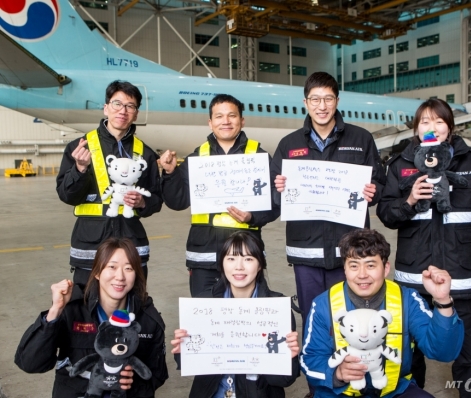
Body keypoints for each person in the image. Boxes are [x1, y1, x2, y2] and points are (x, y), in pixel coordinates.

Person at [376, 98, 471, 397]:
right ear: (416, 129)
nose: (432, 127)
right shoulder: (401, 165)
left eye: (439, 121)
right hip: (415, 279)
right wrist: (410, 200)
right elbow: (387, 215)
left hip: (464, 278)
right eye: (425, 122)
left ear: (450, 127)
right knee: (409, 358)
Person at [271, 71, 386, 333]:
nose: (321, 106)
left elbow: (380, 183)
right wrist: (279, 189)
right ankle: (319, 374)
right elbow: (274, 193)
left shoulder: (361, 139)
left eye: (328, 99)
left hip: (351, 253)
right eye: (315, 99)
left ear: (337, 101)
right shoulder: (288, 144)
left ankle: (353, 373)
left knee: (354, 323)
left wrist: (373, 191)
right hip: (306, 252)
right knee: (314, 321)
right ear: (305, 103)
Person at [300, 228, 464, 398]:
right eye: (354, 266)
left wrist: (443, 301)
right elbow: (309, 360)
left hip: (395, 391)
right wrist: (336, 373)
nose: (362, 275)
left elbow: (443, 352)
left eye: (370, 265)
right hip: (339, 393)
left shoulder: (407, 299)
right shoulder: (323, 304)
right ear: (345, 270)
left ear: (386, 268)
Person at [14, 237, 169, 397]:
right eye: (112, 267)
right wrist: (55, 311)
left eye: (128, 268)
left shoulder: (148, 319)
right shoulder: (72, 311)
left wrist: (133, 382)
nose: (120, 277)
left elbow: (157, 376)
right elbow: (30, 363)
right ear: (96, 273)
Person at [160, 94, 279, 297]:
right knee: (206, 316)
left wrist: (253, 217)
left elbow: (274, 204)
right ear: (210, 122)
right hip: (204, 254)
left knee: (245, 314)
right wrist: (171, 174)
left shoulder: (259, 157)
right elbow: (177, 202)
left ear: (242, 120)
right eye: (219, 116)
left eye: (232, 116)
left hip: (245, 255)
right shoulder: (198, 158)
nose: (225, 121)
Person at [56, 81, 162, 285]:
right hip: (90, 247)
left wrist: (142, 203)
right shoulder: (80, 147)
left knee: (131, 311)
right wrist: (79, 169)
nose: (123, 111)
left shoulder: (145, 153)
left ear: (136, 113)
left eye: (130, 106)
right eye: (117, 104)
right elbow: (67, 196)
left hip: (131, 246)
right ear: (106, 108)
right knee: (86, 312)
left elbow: (156, 200)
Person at [171, 231, 300, 397]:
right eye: (231, 258)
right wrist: (182, 350)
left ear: (260, 264)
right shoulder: (203, 304)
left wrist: (289, 358)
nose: (239, 266)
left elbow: (283, 381)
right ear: (222, 263)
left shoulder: (276, 308)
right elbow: (189, 365)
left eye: (248, 259)